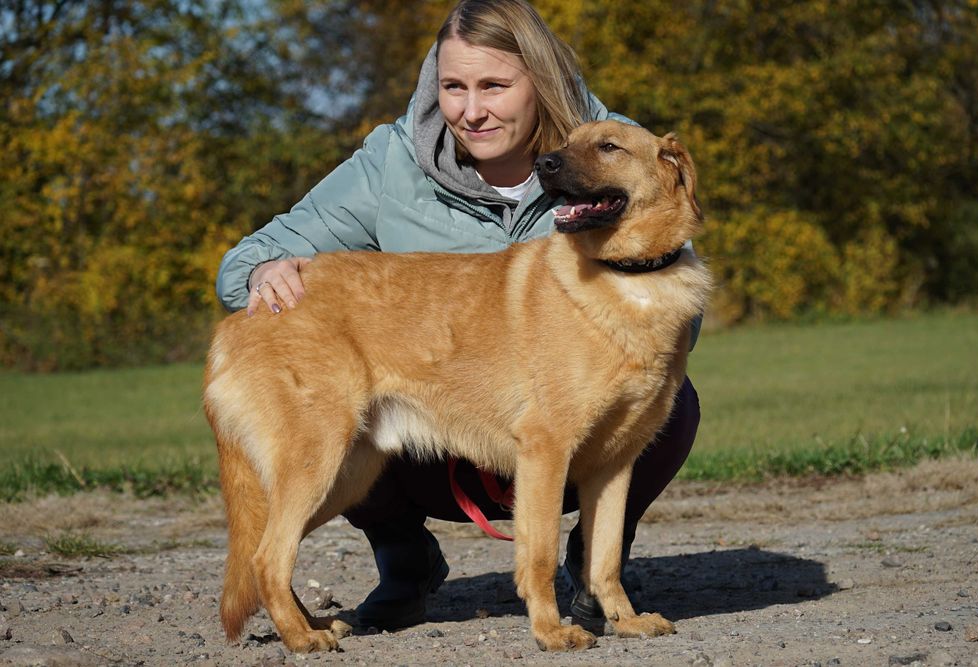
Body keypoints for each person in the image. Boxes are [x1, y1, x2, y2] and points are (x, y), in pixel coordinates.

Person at [215, 0, 701, 632]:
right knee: (329, 446)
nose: (472, 110)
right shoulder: (390, 161)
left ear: (541, 83)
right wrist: (263, 272)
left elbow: (664, 271)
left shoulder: (603, 152)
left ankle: (597, 567)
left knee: (669, 400)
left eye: (494, 86)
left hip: (546, 418)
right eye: (453, 87)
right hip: (431, 420)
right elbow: (242, 262)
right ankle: (403, 560)